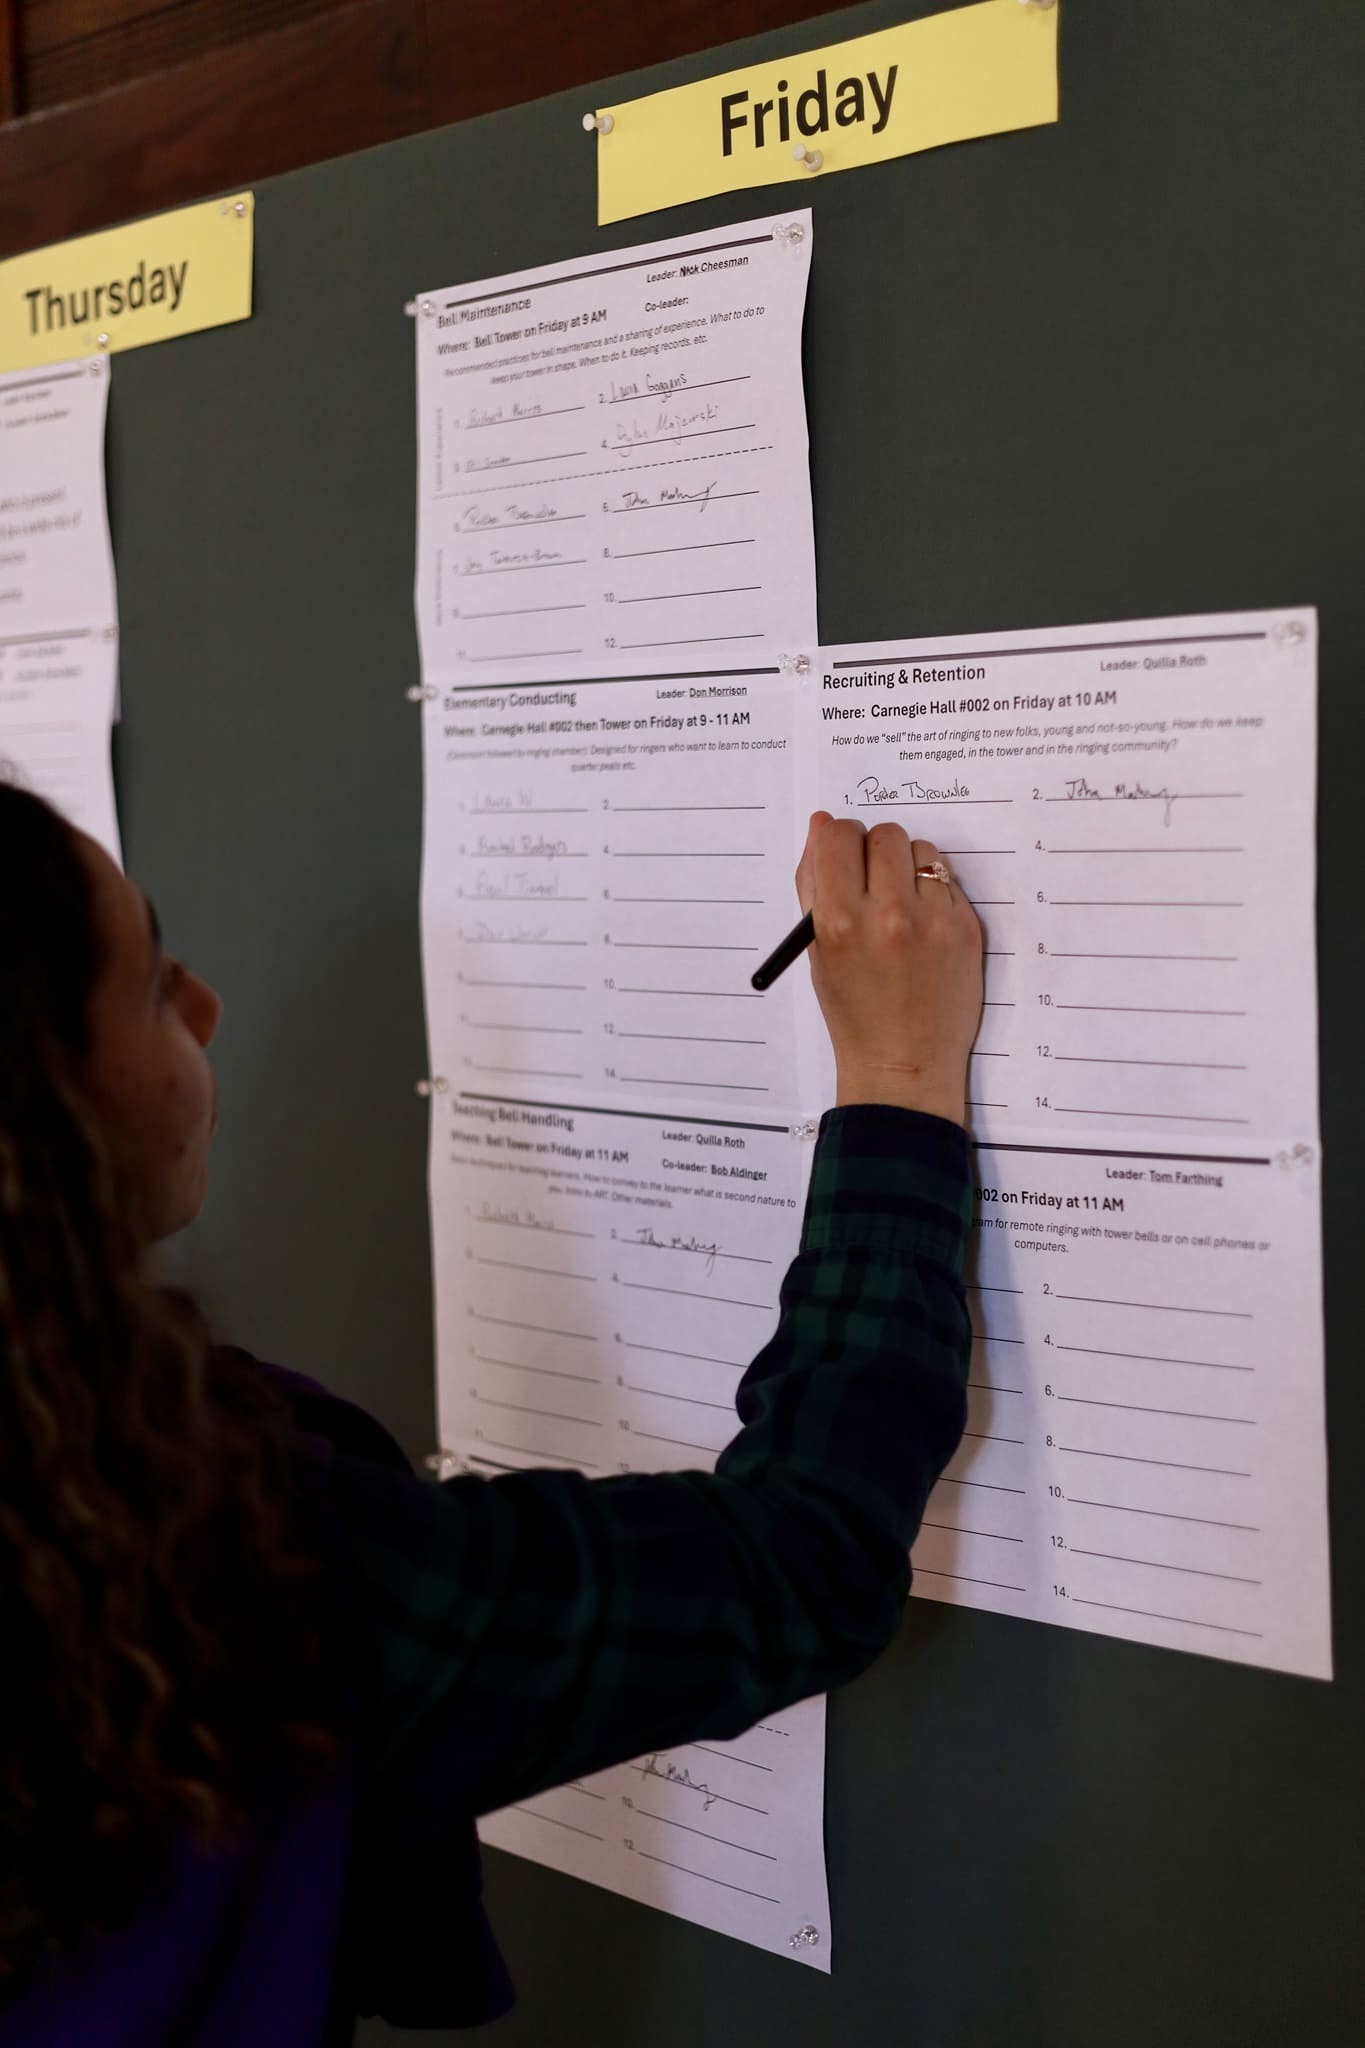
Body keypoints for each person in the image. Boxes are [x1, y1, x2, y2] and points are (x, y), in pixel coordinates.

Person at [0, 781, 982, 2044]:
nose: (207, 1007)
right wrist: (898, 1084)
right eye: (149, 988)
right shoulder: (214, 1565)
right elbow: (798, 1561)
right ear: (44, 1130)